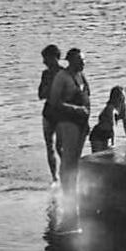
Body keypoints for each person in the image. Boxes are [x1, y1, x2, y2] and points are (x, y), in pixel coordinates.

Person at [46, 47, 92, 193]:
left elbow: (87, 97)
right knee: (68, 158)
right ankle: (66, 191)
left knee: (76, 158)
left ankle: (74, 186)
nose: (83, 62)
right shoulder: (62, 77)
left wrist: (86, 120)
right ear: (71, 61)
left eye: (84, 60)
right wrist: (77, 110)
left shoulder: (81, 76)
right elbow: (54, 102)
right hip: (68, 122)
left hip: (82, 122)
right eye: (80, 60)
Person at [37, 44, 63, 182]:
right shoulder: (45, 74)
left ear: (54, 58)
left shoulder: (65, 73)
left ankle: (67, 173)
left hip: (62, 113)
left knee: (61, 147)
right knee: (49, 145)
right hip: (48, 113)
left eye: (45, 58)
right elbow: (40, 95)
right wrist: (48, 88)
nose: (44, 62)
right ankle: (55, 178)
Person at [90, 86, 126, 153]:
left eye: (124, 97)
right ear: (115, 97)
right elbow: (113, 126)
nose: (123, 99)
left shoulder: (123, 107)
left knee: (109, 158)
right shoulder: (110, 109)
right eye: (121, 97)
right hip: (98, 135)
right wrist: (113, 143)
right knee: (99, 157)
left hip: (108, 135)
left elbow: (125, 124)